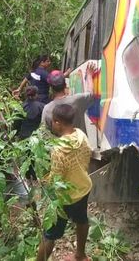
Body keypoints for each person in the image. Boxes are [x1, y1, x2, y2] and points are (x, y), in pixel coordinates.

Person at [36, 104, 92, 261]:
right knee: (81, 220)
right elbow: (87, 156)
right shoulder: (81, 135)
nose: (52, 124)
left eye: (53, 121)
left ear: (58, 122)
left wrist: (44, 181)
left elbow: (56, 179)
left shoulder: (58, 149)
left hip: (64, 198)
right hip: (83, 188)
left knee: (49, 235)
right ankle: (80, 255)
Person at [41, 63, 98, 134]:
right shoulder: (77, 100)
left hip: (61, 145)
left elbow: (43, 133)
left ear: (51, 89)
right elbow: (91, 94)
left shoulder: (47, 109)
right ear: (65, 85)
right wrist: (89, 75)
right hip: (79, 144)